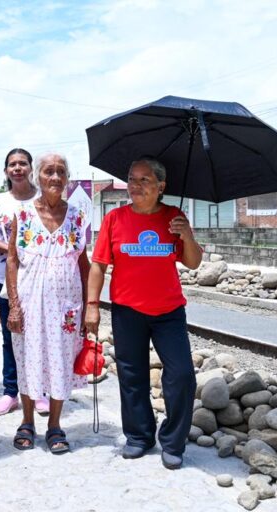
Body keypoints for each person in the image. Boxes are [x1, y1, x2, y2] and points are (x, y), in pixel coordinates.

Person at [84, 157, 203, 470]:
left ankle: (173, 440)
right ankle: (139, 435)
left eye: (144, 180)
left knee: (181, 375)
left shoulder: (174, 217)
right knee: (132, 376)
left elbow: (193, 262)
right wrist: (92, 305)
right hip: (127, 311)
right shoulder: (115, 219)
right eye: (131, 179)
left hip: (169, 312)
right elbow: (98, 265)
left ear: (161, 187)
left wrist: (187, 235)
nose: (135, 186)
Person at [5, 152, 91, 454]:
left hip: (67, 303)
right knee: (27, 359)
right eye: (48, 172)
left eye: (61, 172)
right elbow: (12, 260)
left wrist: (91, 306)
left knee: (61, 360)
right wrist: (13, 305)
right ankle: (27, 421)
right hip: (28, 302)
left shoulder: (78, 216)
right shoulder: (24, 213)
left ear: (67, 178)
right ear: (37, 177)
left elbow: (84, 264)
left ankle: (55, 425)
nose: (55, 177)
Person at [0, 148, 42, 417]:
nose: (17, 168)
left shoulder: (43, 199)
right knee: (10, 337)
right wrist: (12, 248)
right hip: (4, 278)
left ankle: (38, 391)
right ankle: (10, 392)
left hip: (38, 277)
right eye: (12, 164)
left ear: (31, 168)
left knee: (38, 336)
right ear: (6, 170)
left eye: (22, 163)